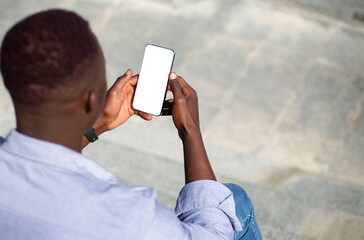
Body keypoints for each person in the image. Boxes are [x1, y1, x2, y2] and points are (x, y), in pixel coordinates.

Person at [0, 9, 262, 240]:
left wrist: (100, 123)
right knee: (234, 200)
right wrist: (190, 131)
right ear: (93, 97)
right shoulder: (125, 215)